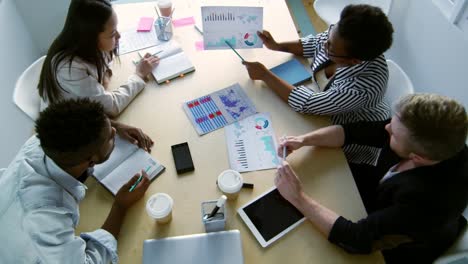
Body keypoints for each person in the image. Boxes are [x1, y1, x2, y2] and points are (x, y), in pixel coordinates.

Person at [275, 94, 468, 263]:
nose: (386, 127)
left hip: (395, 248)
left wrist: (298, 197)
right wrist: (305, 140)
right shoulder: (422, 136)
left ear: (417, 158)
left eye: (394, 133)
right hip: (381, 197)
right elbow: (354, 132)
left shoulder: (432, 202)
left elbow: (356, 240)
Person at [0, 99, 153, 263]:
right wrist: (120, 206)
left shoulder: (43, 140)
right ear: (91, 160)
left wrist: (111, 126)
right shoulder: (47, 215)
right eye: (109, 137)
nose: (115, 131)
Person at [243, 4, 394, 167]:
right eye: (330, 35)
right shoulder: (341, 39)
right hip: (324, 111)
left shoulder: (363, 87)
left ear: (354, 61)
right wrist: (277, 45)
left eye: (330, 47)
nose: (324, 45)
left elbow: (307, 103)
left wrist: (265, 75)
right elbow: (314, 43)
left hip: (349, 134)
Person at [38, 0, 159, 117]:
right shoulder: (68, 69)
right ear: (90, 38)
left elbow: (106, 65)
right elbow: (112, 107)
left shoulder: (87, 45)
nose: (119, 35)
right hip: (68, 126)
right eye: (112, 33)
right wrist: (139, 75)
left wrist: (102, 82)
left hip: (84, 112)